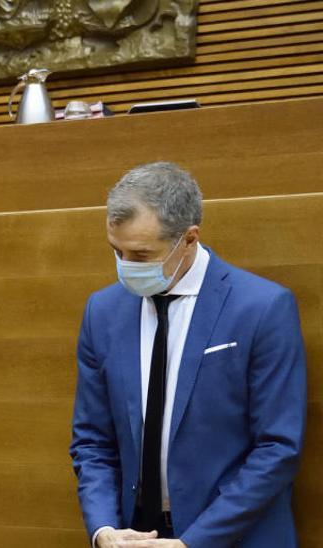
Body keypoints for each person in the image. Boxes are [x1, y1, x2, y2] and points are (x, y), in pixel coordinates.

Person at [70, 162, 306, 547]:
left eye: (142, 255)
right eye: (117, 251)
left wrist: (191, 543)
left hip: (234, 536)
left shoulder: (262, 308)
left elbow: (277, 448)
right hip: (137, 534)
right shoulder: (103, 312)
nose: (126, 267)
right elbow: (93, 440)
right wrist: (104, 530)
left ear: (189, 239)